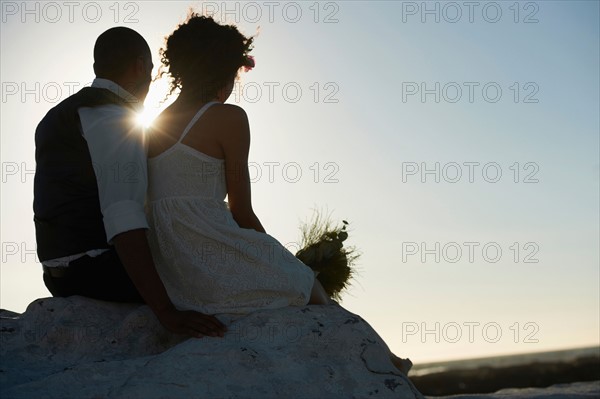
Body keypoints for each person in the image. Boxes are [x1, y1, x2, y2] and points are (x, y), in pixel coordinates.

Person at [145, 13, 411, 373]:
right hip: (209, 251)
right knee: (306, 283)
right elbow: (241, 212)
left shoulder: (149, 127)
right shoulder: (229, 117)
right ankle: (382, 362)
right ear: (225, 70)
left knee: (299, 278)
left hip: (170, 265)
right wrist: (282, 260)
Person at [33, 26, 226, 339]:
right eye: (150, 69)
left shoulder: (60, 115)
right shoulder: (114, 119)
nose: (150, 78)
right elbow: (124, 220)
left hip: (58, 274)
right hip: (96, 272)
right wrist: (166, 312)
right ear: (139, 66)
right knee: (222, 273)